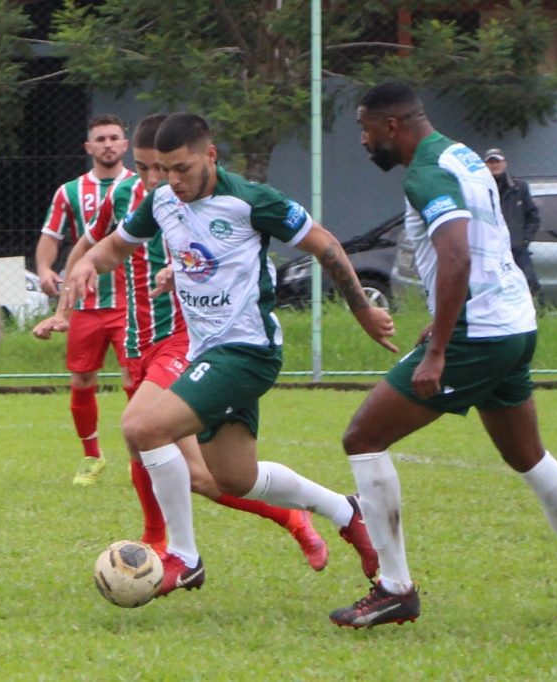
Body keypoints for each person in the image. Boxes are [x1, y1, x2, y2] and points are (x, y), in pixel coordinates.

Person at [328, 81, 557, 629]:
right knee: (528, 456)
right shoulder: (458, 153)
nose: (364, 141)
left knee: (362, 439)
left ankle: (395, 589)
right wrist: (442, 323)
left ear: (391, 127)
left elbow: (458, 256)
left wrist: (440, 347)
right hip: (513, 322)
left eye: (365, 129)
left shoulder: (427, 173)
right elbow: (481, 251)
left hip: (480, 332)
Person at [64, 112, 396, 598]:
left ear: (210, 155)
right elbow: (115, 247)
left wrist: (362, 309)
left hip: (248, 351)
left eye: (181, 168)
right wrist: (88, 265)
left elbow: (323, 243)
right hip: (208, 352)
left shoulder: (251, 200)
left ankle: (184, 556)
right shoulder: (161, 202)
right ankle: (348, 512)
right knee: (233, 477)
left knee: (142, 428)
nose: (172, 180)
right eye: (163, 169)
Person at [34, 114, 328, 571]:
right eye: (146, 168)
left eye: (161, 168)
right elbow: (92, 247)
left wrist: (181, 271)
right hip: (140, 342)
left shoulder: (194, 193)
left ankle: (181, 550)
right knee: (198, 475)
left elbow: (232, 254)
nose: (156, 179)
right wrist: (65, 302)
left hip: (184, 341)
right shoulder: (129, 198)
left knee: (144, 430)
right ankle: (194, 536)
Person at [35, 114, 135, 485]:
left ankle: (140, 457)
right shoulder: (70, 192)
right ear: (89, 147)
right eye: (101, 139)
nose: (108, 144)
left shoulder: (140, 187)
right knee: (81, 379)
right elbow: (51, 235)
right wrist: (45, 268)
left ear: (125, 145)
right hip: (86, 303)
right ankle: (91, 456)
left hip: (132, 302)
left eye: (114, 138)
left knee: (134, 378)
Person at [484, 148, 542, 299]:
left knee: (530, 284)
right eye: (491, 162)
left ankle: (537, 315)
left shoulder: (519, 188)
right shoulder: (480, 189)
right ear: (485, 165)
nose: (494, 165)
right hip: (491, 250)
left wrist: (523, 240)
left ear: (505, 164)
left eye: (497, 161)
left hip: (517, 250)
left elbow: (533, 217)